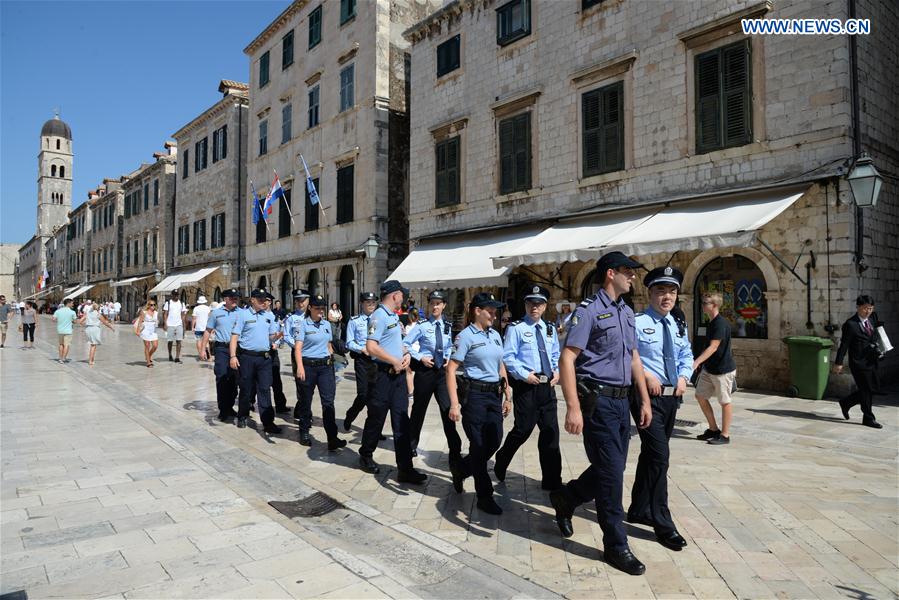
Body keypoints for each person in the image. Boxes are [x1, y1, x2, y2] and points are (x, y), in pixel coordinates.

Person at [547, 251, 652, 576]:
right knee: (611, 477)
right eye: (627, 271)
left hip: (623, 403)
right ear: (610, 274)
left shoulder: (626, 311)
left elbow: (634, 357)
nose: (632, 277)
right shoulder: (589, 312)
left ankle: (566, 497)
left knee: (612, 467)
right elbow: (567, 359)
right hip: (599, 402)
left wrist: (644, 400)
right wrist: (573, 408)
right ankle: (616, 544)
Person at [627, 267, 693, 551]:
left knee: (653, 454)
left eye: (672, 291)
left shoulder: (677, 323)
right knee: (660, 456)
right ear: (649, 293)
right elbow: (629, 354)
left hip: (670, 398)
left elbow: (686, 353)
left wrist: (684, 376)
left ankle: (639, 508)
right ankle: (662, 522)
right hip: (646, 397)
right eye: (661, 291)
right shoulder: (637, 322)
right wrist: (646, 376)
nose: (667, 297)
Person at [446, 292, 512, 515]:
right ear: (477, 311)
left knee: (494, 441)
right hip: (474, 397)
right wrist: (454, 404)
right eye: (490, 311)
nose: (494, 315)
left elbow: (501, 365)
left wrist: (508, 394)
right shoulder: (465, 336)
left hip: (495, 396)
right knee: (479, 445)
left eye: (495, 312)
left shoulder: (495, 334)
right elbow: (451, 369)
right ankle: (484, 496)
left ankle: (462, 469)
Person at [357, 280, 427, 484]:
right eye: (402, 296)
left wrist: (405, 356)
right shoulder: (379, 315)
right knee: (376, 418)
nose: (403, 299)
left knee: (402, 422)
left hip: (398, 378)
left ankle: (405, 469)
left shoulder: (394, 318)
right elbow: (371, 347)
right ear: (395, 295)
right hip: (382, 377)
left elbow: (395, 344)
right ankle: (366, 454)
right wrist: (394, 360)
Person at [494, 285, 562, 490]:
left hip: (547, 388)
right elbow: (508, 356)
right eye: (531, 303)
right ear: (525, 305)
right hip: (527, 387)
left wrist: (556, 371)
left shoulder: (550, 329)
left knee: (551, 433)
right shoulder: (516, 328)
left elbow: (554, 354)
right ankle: (502, 457)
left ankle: (552, 480)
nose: (535, 307)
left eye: (539, 303)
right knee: (523, 430)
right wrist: (525, 375)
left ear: (545, 306)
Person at [405, 290, 462, 464]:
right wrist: (419, 357)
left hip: (441, 374)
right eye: (432, 303)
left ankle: (455, 448)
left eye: (438, 303)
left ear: (444, 305)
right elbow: (405, 343)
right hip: (425, 372)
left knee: (447, 410)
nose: (435, 306)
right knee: (419, 410)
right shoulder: (421, 326)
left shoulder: (447, 325)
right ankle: (411, 445)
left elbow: (449, 345)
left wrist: (447, 356)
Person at [292, 294, 345, 449]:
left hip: (325, 368)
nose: (321, 311)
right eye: (318, 308)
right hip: (308, 367)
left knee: (328, 403)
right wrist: (300, 367)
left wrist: (335, 362)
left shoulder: (327, 325)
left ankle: (332, 437)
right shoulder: (302, 325)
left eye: (323, 308)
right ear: (310, 308)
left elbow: (328, 345)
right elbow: (298, 349)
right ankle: (304, 432)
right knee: (305, 401)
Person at [229, 288, 282, 433]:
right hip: (247, 358)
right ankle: (242, 415)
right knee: (246, 389)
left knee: (265, 389)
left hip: (264, 358)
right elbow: (234, 336)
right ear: (252, 300)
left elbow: (271, 337)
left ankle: (268, 422)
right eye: (260, 300)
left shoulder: (269, 317)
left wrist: (279, 335)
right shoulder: (243, 315)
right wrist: (233, 356)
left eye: (264, 300)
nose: (263, 302)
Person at [692, 292, 737, 444]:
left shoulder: (720, 324)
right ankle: (713, 429)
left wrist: (696, 362)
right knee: (700, 396)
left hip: (722, 370)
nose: (703, 305)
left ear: (715, 306)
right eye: (703, 302)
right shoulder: (711, 322)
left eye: (706, 303)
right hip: (710, 369)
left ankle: (725, 435)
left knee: (725, 401)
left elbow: (713, 347)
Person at [834, 295, 883, 428]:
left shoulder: (872, 318)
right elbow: (844, 345)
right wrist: (838, 363)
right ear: (858, 307)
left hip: (871, 360)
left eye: (871, 308)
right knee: (866, 389)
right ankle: (868, 418)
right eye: (866, 308)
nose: (868, 311)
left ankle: (846, 403)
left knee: (871, 388)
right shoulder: (850, 324)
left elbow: (876, 333)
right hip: (858, 363)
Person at [201, 288, 242, 422]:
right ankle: (223, 409)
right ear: (225, 299)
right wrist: (203, 349)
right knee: (222, 377)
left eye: (236, 298)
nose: (235, 300)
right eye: (232, 298)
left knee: (235, 379)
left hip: (238, 350)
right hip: (222, 349)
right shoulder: (216, 313)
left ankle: (230, 406)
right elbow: (208, 331)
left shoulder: (242, 313)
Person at [343, 292, 379, 431]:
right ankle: (350, 415)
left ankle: (373, 428)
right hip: (362, 361)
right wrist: (361, 349)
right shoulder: (355, 321)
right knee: (363, 395)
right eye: (368, 303)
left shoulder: (378, 320)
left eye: (373, 303)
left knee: (375, 397)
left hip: (377, 361)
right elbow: (349, 343)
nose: (371, 305)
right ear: (362, 304)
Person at [282, 288, 311, 419]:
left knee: (311, 382)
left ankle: (302, 408)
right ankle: (303, 410)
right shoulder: (291, 317)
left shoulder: (314, 315)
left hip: (313, 352)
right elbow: (287, 335)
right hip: (298, 352)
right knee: (300, 381)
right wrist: (297, 345)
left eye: (303, 300)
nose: (301, 304)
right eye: (298, 301)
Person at [263, 295, 291, 416]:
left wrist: (277, 342)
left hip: (272, 351)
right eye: (263, 300)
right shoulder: (256, 316)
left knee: (276, 380)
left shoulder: (275, 316)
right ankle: (251, 403)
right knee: (259, 381)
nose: (265, 302)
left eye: (268, 301)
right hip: (260, 351)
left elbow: (279, 331)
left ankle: (280, 405)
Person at [77, 300, 115, 367]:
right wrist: (111, 328)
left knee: (92, 344)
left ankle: (91, 359)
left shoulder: (87, 313)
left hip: (88, 329)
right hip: (95, 329)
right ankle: (90, 360)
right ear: (98, 308)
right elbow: (105, 323)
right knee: (93, 346)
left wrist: (86, 325)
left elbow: (80, 321)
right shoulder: (98, 314)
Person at [162, 290, 187, 363]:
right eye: (175, 295)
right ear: (172, 295)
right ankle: (170, 354)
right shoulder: (168, 303)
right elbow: (165, 314)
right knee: (170, 341)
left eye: (177, 295)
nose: (176, 296)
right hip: (170, 324)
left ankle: (177, 357)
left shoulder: (182, 303)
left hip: (179, 324)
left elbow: (183, 315)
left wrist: (184, 325)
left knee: (179, 340)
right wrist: (165, 323)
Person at [134, 300, 160, 367]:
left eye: (154, 304)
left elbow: (156, 321)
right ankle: (148, 362)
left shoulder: (156, 313)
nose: (153, 306)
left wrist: (157, 322)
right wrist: (137, 330)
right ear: (148, 305)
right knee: (147, 346)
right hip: (145, 330)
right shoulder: (144, 312)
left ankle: (149, 355)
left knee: (155, 346)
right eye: (151, 305)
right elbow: (140, 321)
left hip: (153, 331)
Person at [52, 298, 78, 364]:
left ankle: (60, 358)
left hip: (60, 330)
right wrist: (70, 321)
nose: (73, 304)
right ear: (68, 303)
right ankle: (63, 359)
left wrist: (60, 321)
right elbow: (75, 321)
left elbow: (53, 319)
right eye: (72, 303)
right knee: (66, 345)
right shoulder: (72, 312)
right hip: (68, 331)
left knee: (61, 344)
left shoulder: (58, 311)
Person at [403, 308, 421, 399]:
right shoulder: (420, 326)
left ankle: (411, 392)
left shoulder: (408, 327)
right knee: (415, 373)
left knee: (409, 372)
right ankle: (416, 390)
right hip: (418, 352)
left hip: (410, 352)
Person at [192, 296, 212, 362]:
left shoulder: (196, 308)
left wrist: (192, 327)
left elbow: (194, 319)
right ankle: (208, 356)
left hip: (198, 327)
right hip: (206, 328)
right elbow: (210, 317)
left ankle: (201, 355)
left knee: (199, 341)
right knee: (207, 342)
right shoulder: (208, 308)